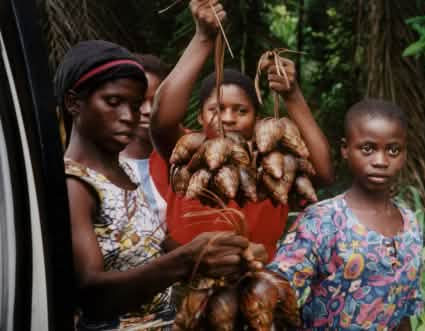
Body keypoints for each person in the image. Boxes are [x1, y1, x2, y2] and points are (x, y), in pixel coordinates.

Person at [55, 40, 266, 330]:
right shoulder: (73, 184)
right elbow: (92, 294)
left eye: (135, 103)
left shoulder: (126, 171)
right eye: (113, 102)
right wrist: (185, 260)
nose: (130, 116)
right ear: (73, 103)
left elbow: (156, 243)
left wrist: (215, 254)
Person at [150, 0, 334, 259]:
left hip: (260, 288)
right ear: (200, 117)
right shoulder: (187, 151)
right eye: (216, 109)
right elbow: (161, 121)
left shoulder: (273, 163)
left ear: (257, 119)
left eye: (241, 110)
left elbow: (324, 173)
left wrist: (293, 95)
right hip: (188, 286)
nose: (228, 118)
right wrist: (203, 38)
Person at [267, 99, 424, 330]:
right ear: (345, 149)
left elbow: (402, 313)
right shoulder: (321, 221)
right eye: (368, 149)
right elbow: (275, 298)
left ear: (404, 153)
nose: (381, 161)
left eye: (393, 150)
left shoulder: (410, 224)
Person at [120, 54, 169, 224]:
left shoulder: (183, 158)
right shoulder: (102, 166)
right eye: (139, 101)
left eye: (155, 101)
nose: (148, 110)